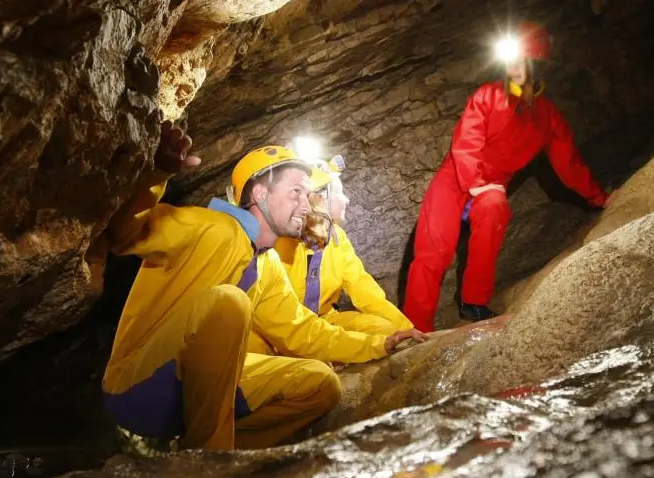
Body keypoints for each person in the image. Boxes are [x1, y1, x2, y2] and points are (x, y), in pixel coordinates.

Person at [100, 122, 426, 452]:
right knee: (229, 302)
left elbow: (303, 331)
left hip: (202, 389)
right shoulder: (207, 226)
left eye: (308, 193)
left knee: (320, 384)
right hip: (140, 385)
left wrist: (380, 344)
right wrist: (156, 175)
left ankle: (217, 456)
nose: (306, 203)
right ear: (260, 194)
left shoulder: (266, 263)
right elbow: (124, 233)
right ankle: (212, 459)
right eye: (296, 192)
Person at [402, 21, 611, 332]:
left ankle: (474, 302)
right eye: (510, 60)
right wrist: (475, 184)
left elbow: (567, 162)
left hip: (492, 187)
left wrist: (600, 198)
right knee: (433, 250)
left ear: (536, 65)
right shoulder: (487, 96)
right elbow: (466, 143)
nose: (512, 67)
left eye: (519, 60)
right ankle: (414, 330)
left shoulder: (547, 117)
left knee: (495, 205)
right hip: (455, 179)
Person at [248, 155, 417, 355]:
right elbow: (274, 314)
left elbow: (363, 288)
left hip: (324, 319)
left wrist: (405, 327)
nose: (347, 199)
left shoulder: (337, 238)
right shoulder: (279, 241)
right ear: (320, 199)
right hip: (273, 329)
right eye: (339, 192)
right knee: (253, 349)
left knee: (383, 330)